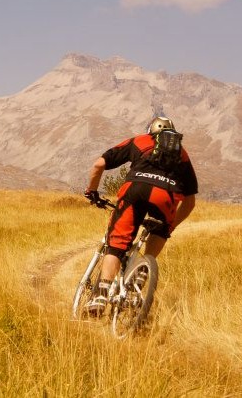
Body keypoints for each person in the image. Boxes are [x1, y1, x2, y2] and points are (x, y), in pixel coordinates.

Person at [83, 116, 198, 315]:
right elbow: (190, 201)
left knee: (117, 244)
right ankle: (139, 277)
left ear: (150, 130)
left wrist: (92, 191)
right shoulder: (182, 154)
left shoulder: (140, 141)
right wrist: (171, 226)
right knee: (158, 235)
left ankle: (101, 295)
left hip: (134, 191)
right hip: (166, 198)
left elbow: (98, 165)